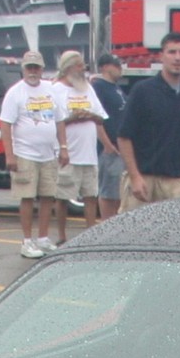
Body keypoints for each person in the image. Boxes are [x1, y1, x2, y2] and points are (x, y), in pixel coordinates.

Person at [0, 50, 68, 257]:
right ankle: (27, 241)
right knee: (27, 197)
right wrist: (9, 155)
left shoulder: (50, 89)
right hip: (25, 153)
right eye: (29, 68)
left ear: (42, 69)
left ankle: (43, 238)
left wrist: (63, 148)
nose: (33, 72)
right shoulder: (15, 92)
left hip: (49, 154)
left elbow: (60, 120)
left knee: (48, 196)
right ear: (23, 69)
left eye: (36, 67)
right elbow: (5, 124)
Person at [118, 34, 180, 207]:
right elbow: (124, 137)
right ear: (161, 56)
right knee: (134, 233)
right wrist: (134, 177)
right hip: (145, 178)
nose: (177, 58)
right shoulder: (143, 91)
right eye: (172, 52)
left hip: (177, 182)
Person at [56, 51, 110, 235]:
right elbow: (57, 121)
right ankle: (62, 236)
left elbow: (101, 118)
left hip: (89, 153)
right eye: (79, 65)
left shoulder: (87, 88)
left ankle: (90, 234)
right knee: (63, 197)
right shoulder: (57, 90)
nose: (83, 68)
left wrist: (90, 115)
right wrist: (73, 117)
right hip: (68, 153)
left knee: (90, 196)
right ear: (68, 67)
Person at [89, 54, 128, 218]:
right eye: (116, 65)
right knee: (108, 192)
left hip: (121, 147)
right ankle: (106, 223)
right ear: (104, 67)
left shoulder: (116, 88)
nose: (120, 68)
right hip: (109, 148)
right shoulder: (99, 87)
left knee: (120, 191)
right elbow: (96, 117)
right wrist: (106, 144)